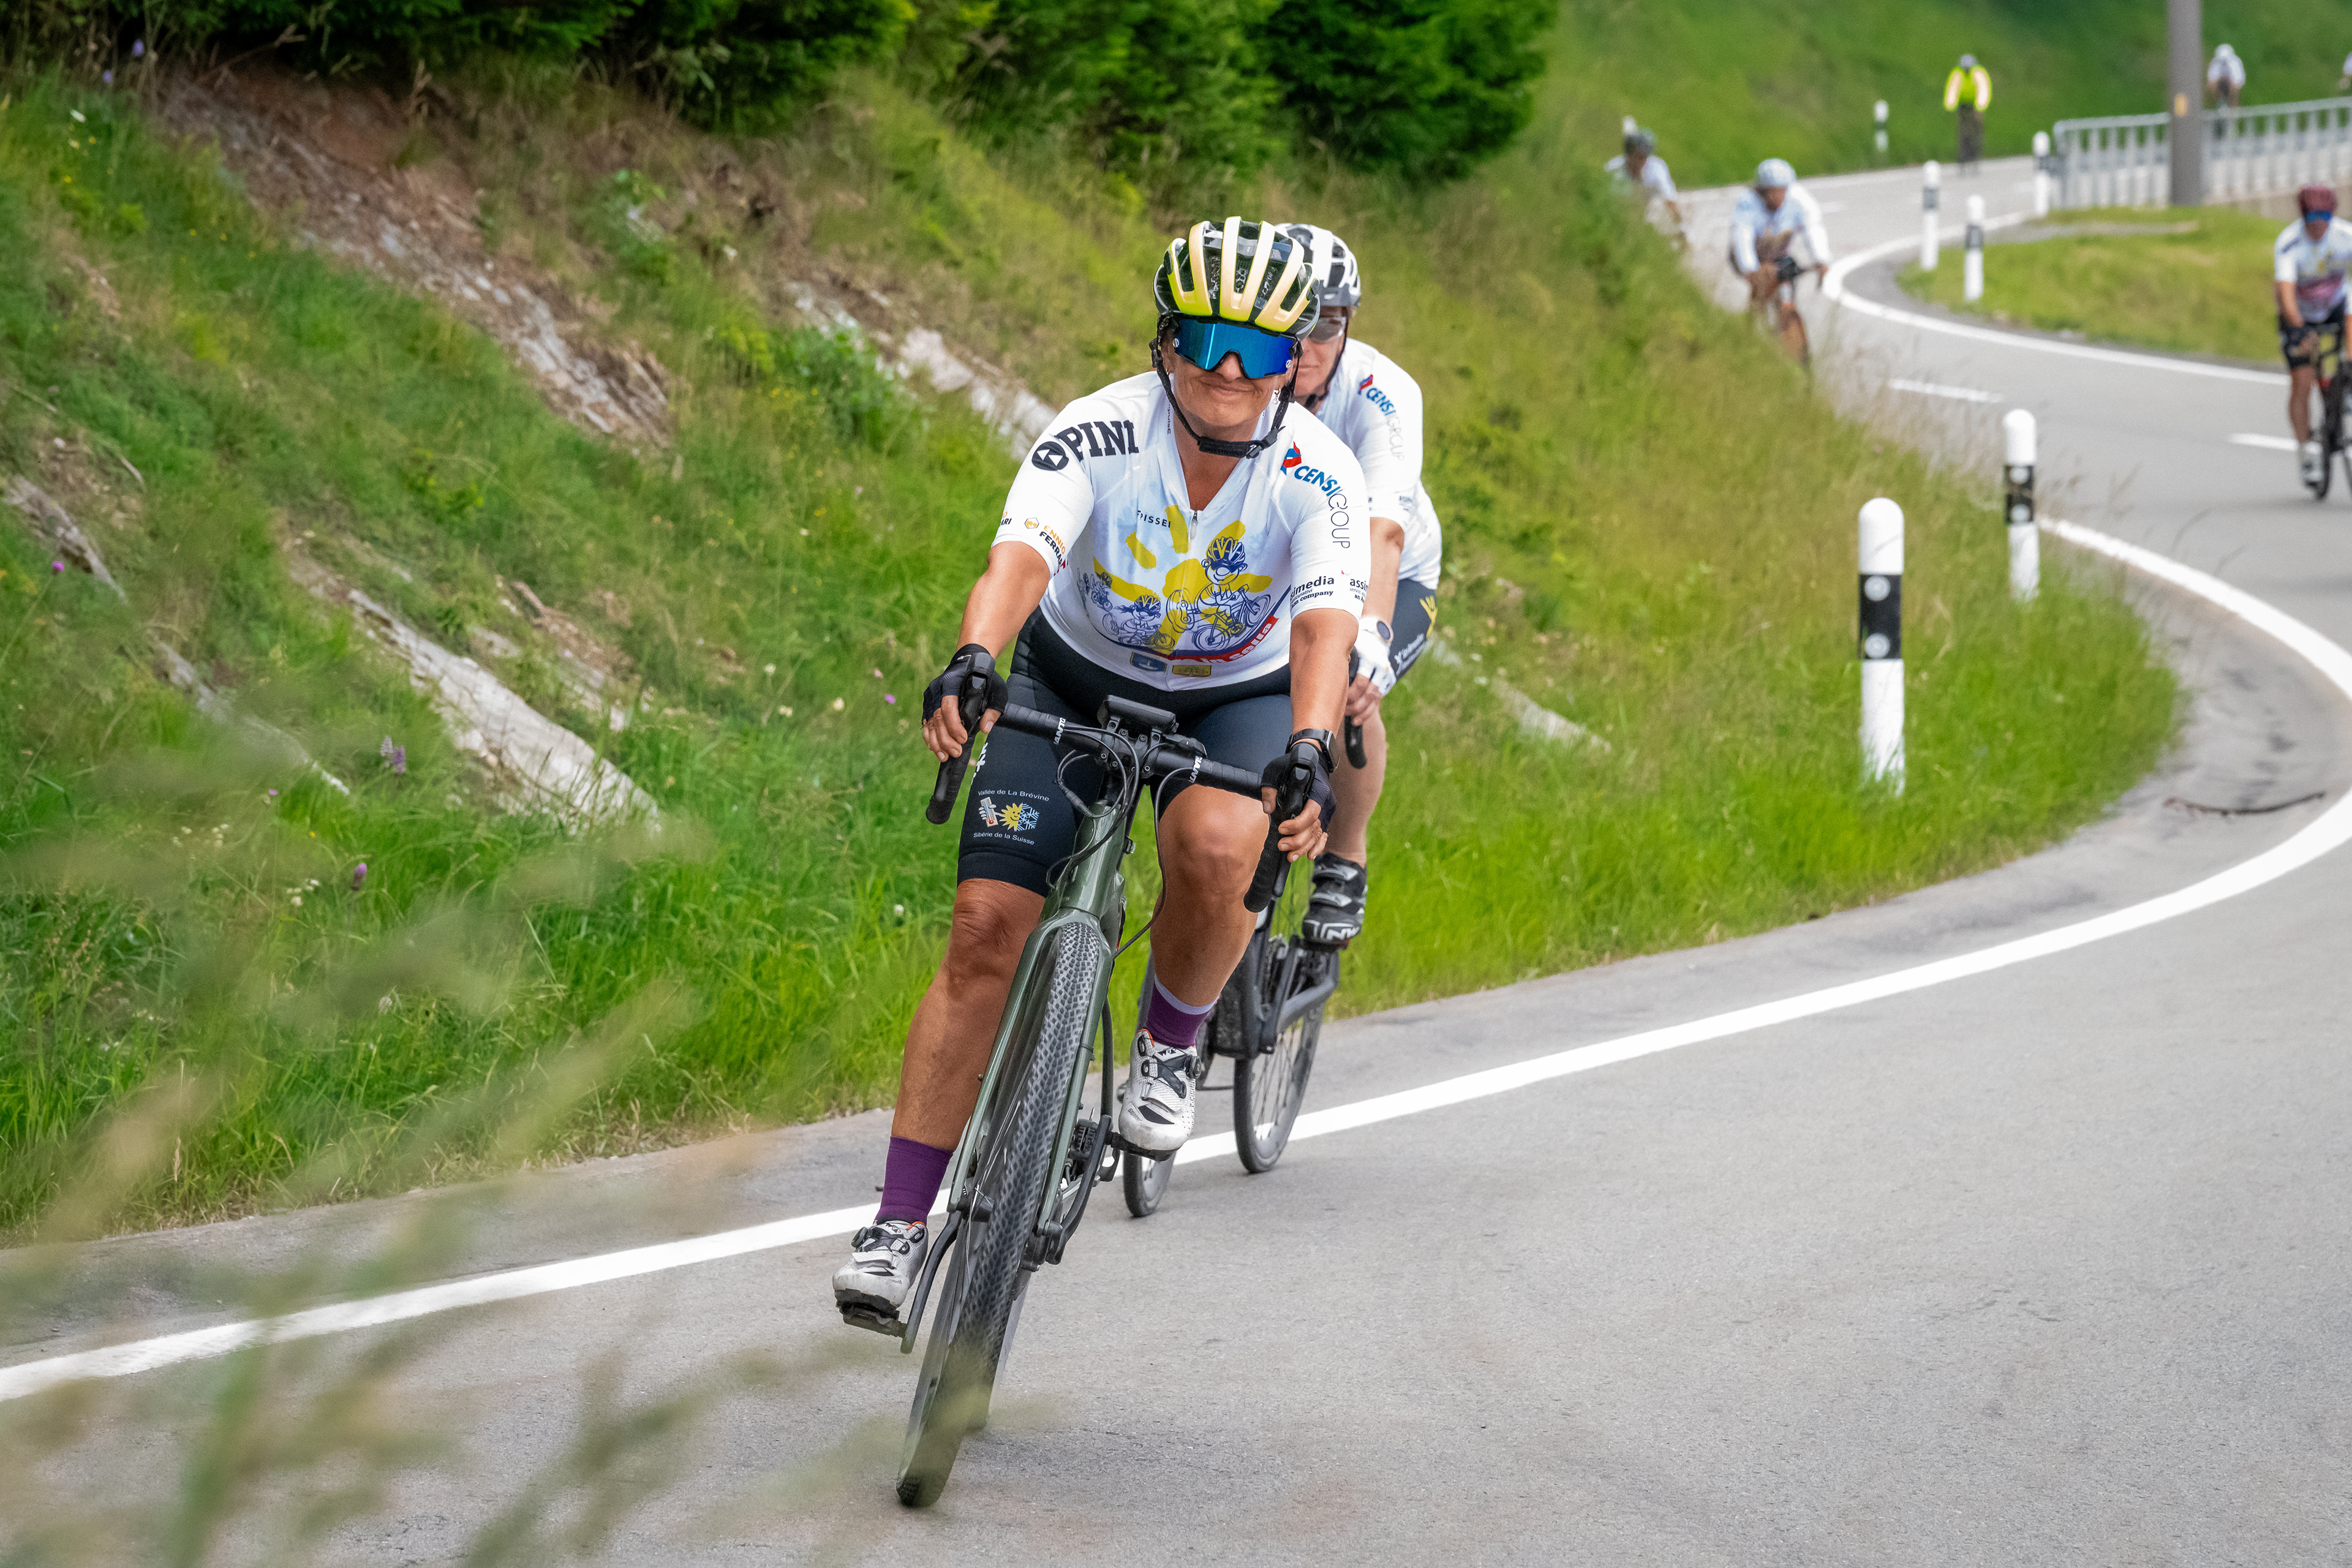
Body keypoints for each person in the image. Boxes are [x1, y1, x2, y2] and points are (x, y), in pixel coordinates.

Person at [832, 217, 1366, 1319]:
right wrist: (976, 656)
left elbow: (1324, 625)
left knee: (1216, 843)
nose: (1230, 371)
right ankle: (898, 1223)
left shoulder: (1322, 472)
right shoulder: (1098, 430)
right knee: (985, 926)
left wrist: (1311, 746)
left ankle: (1171, 1044)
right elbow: (1021, 556)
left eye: (1262, 349)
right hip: (1071, 677)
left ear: (1293, 361)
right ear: (1165, 342)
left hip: (1237, 695)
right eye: (1208, 339)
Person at [1276, 224, 1445, 948]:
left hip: (1391, 574)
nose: (1309, 345)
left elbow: (1383, 531)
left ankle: (1345, 858)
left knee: (1347, 679)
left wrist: (1372, 632)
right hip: (1284, 566)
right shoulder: (1239, 375)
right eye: (1294, 321)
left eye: (1329, 324)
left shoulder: (1382, 393)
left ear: (1350, 325)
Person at [2274, 184, 2352, 486]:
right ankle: (2306, 450)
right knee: (2302, 382)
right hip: (2300, 313)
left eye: (2324, 217)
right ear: (2302, 216)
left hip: (2335, 305)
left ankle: (2346, 384)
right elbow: (2286, 294)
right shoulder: (2290, 243)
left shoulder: (2345, 236)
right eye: (2311, 217)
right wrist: (2299, 328)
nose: (2318, 224)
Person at [1729, 158, 1833, 329]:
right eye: (1772, 192)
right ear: (1762, 191)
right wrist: (1750, 269)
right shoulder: (1749, 203)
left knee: (1787, 284)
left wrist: (1821, 260)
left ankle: (1786, 322)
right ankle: (1752, 326)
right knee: (1762, 290)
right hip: (1753, 259)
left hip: (1779, 255)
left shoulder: (1798, 200)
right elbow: (1742, 237)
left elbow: (1813, 228)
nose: (1778, 197)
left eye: (1782, 191)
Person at [1604, 121, 1684, 239]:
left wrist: (1681, 228)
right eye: (1638, 157)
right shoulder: (1613, 171)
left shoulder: (1656, 168)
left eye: (1644, 157)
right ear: (1628, 156)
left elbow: (1670, 201)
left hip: (1647, 210)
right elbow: (1607, 203)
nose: (1642, 162)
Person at [1944, 55, 1991, 172]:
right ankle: (1963, 157)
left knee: (1976, 132)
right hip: (1963, 106)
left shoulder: (1978, 73)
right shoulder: (1958, 74)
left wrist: (1979, 108)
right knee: (1963, 132)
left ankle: (1975, 157)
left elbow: (1983, 90)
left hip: (1974, 107)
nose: (1967, 69)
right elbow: (1953, 89)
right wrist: (1950, 105)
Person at [2206, 43, 2245, 110]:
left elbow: (2239, 79)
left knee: (2233, 89)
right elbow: (2212, 78)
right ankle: (2217, 107)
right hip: (2220, 85)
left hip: (2231, 85)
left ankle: (2233, 109)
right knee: (2211, 87)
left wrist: (2233, 86)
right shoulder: (2215, 62)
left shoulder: (2235, 62)